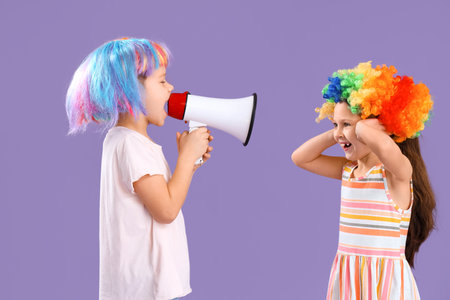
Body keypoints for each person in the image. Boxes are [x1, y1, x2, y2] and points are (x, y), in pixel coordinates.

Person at [66, 38, 213, 300]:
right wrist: (186, 158)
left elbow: (163, 195)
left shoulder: (126, 141)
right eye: (162, 81)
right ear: (131, 90)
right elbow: (166, 210)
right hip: (142, 290)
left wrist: (188, 164)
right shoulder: (131, 145)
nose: (171, 87)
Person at [291, 62, 435, 299]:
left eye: (348, 125)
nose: (340, 134)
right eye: (335, 123)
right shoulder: (349, 171)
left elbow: (387, 150)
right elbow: (300, 158)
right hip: (350, 282)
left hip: (385, 286)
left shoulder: (397, 174)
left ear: (379, 127)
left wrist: (371, 127)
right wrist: (339, 130)